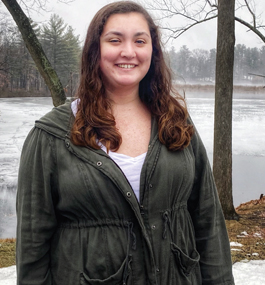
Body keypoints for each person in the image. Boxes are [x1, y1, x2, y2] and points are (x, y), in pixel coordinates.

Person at [16, 1, 235, 284]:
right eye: (115, 40)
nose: (128, 51)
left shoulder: (176, 123)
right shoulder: (51, 136)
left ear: (152, 51)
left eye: (140, 41)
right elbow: (32, 246)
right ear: (95, 50)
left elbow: (208, 221)